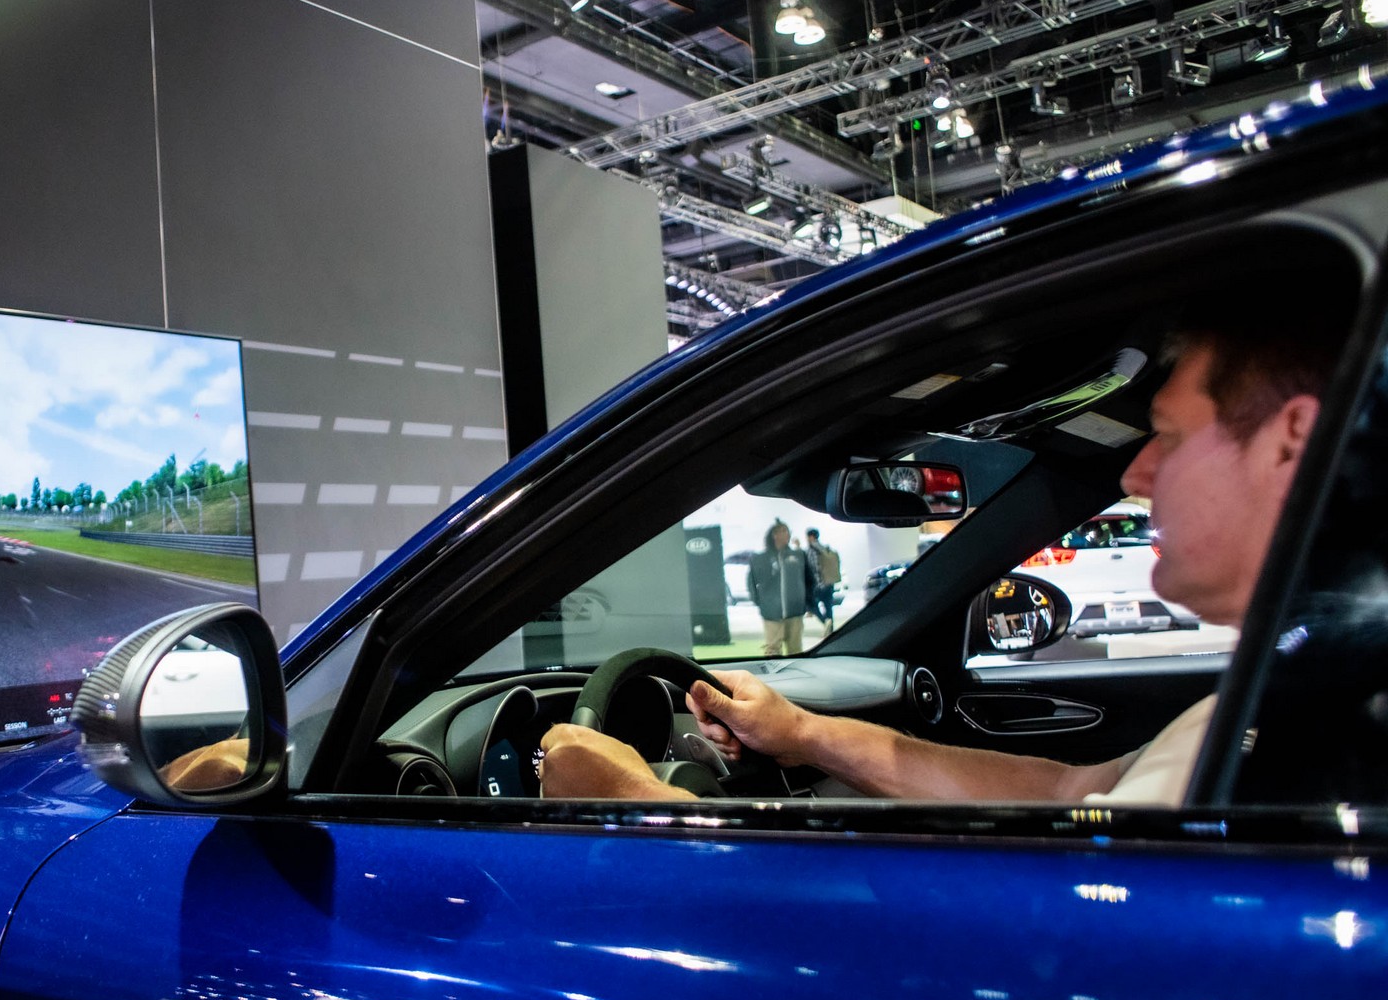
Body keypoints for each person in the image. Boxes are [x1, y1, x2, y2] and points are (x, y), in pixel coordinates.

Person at [542, 315, 1338, 806]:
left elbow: (1049, 950)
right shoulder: (1271, 706)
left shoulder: (1330, 741)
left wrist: (631, 805)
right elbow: (1068, 791)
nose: (1134, 476)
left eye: (1166, 436)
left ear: (1290, 442)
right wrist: (805, 733)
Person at [744, 520, 816, 657]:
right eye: (781, 531)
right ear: (774, 535)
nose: (785, 534)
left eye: (787, 530)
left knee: (796, 650)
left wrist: (807, 603)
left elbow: (809, 581)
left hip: (795, 612)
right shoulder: (760, 558)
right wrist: (760, 603)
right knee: (773, 650)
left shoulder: (798, 555)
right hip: (771, 613)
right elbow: (751, 582)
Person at [804, 528, 840, 631]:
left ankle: (825, 622)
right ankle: (831, 631)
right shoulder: (825, 548)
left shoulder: (810, 550)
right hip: (829, 582)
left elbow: (813, 568)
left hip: (818, 585)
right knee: (828, 607)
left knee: (810, 605)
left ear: (811, 537)